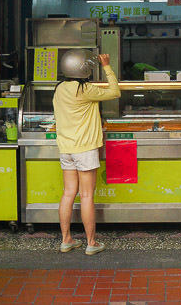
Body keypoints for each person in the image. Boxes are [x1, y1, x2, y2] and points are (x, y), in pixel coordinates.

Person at [52, 50, 119, 255]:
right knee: (87, 195)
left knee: (68, 193)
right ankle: (91, 243)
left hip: (67, 149)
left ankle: (66, 240)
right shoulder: (85, 89)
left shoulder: (59, 88)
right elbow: (115, 91)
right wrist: (107, 66)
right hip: (85, 149)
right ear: (84, 68)